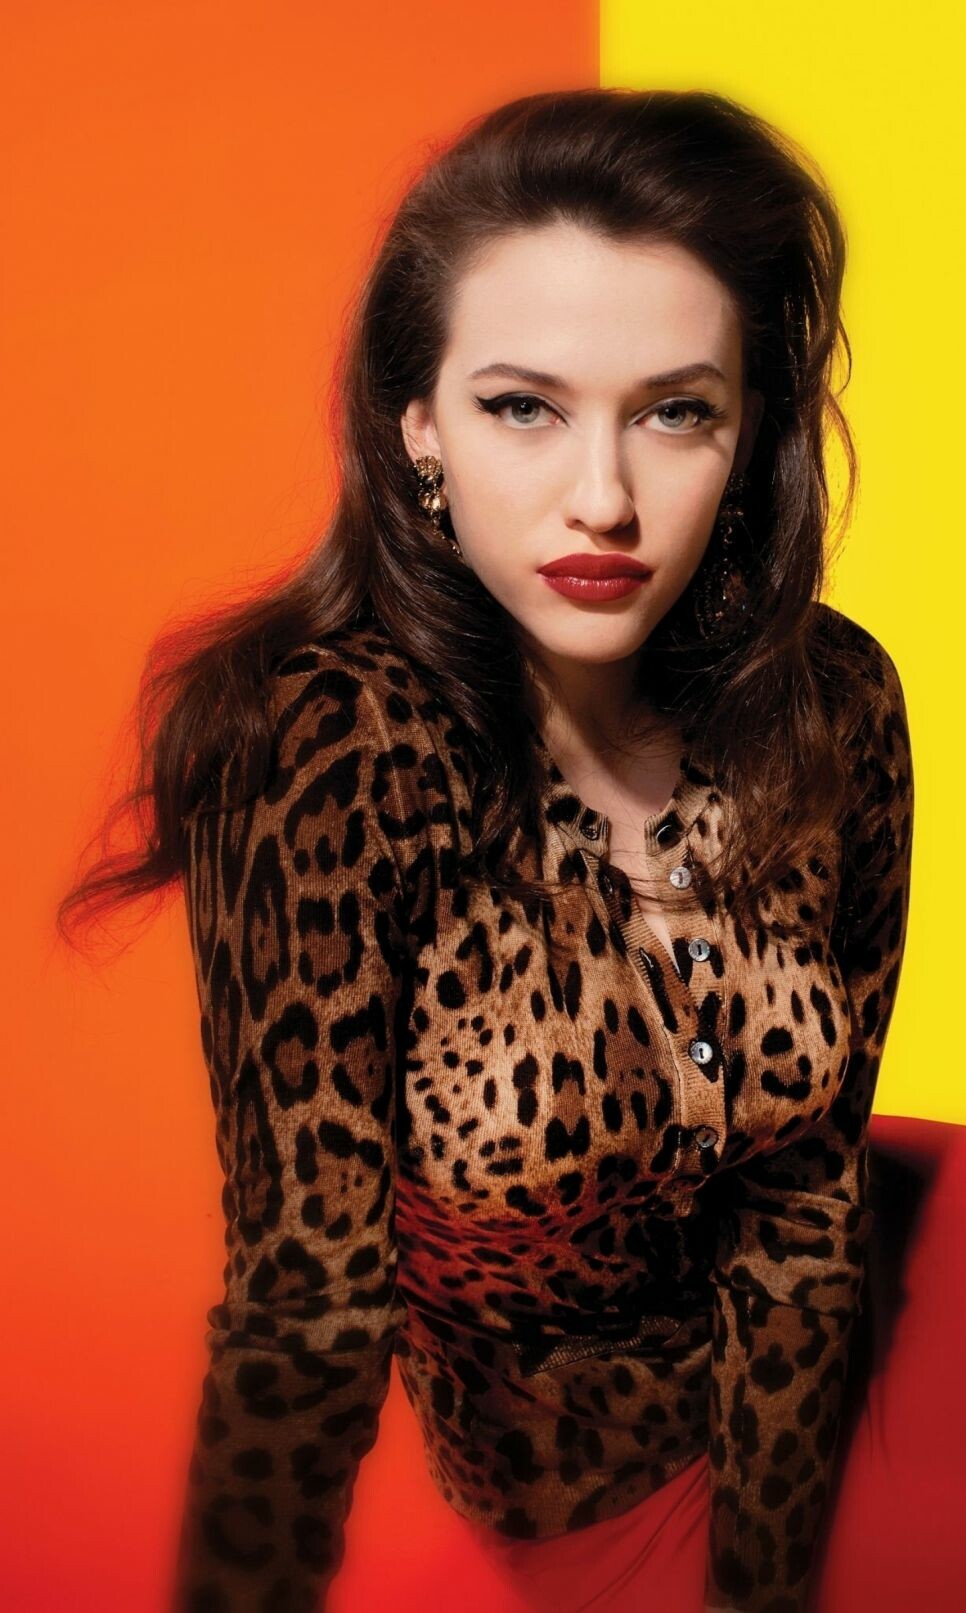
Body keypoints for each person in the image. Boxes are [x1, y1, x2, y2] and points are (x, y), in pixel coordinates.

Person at [60, 87, 914, 1613]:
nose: (604, 498)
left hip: (839, 1402)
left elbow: (810, 1207)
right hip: (581, 1505)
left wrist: (764, 1593)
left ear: (748, 437)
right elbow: (309, 1314)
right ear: (420, 429)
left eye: (675, 411)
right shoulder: (329, 749)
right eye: (525, 406)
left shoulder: (831, 700)